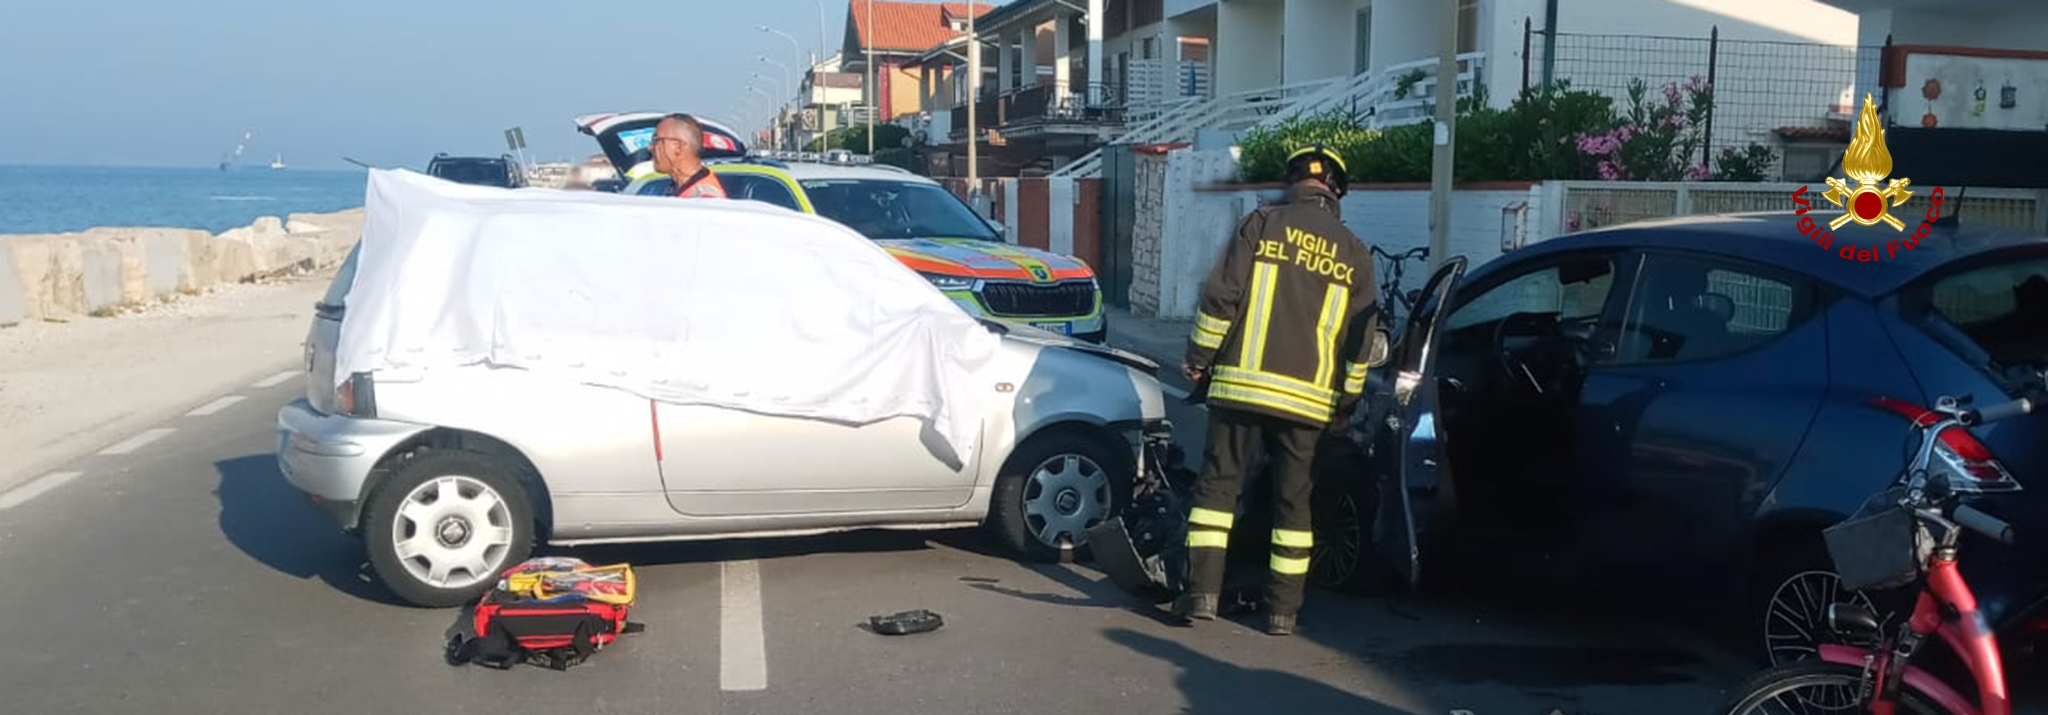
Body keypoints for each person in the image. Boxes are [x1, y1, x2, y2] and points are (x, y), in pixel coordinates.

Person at [1173, 144, 1379, 636]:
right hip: (1307, 404)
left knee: (1218, 490)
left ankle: (1202, 595)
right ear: (1336, 191)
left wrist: (1199, 358)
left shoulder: (1261, 224)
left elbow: (1221, 297)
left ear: (1292, 183)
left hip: (1240, 390)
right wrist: (1346, 404)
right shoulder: (1354, 252)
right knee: (1294, 504)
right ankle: (1283, 614)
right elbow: (1361, 343)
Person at [649, 113, 728, 199]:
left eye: (656, 140)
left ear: (678, 147)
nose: (650, 147)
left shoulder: (704, 197)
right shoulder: (675, 188)